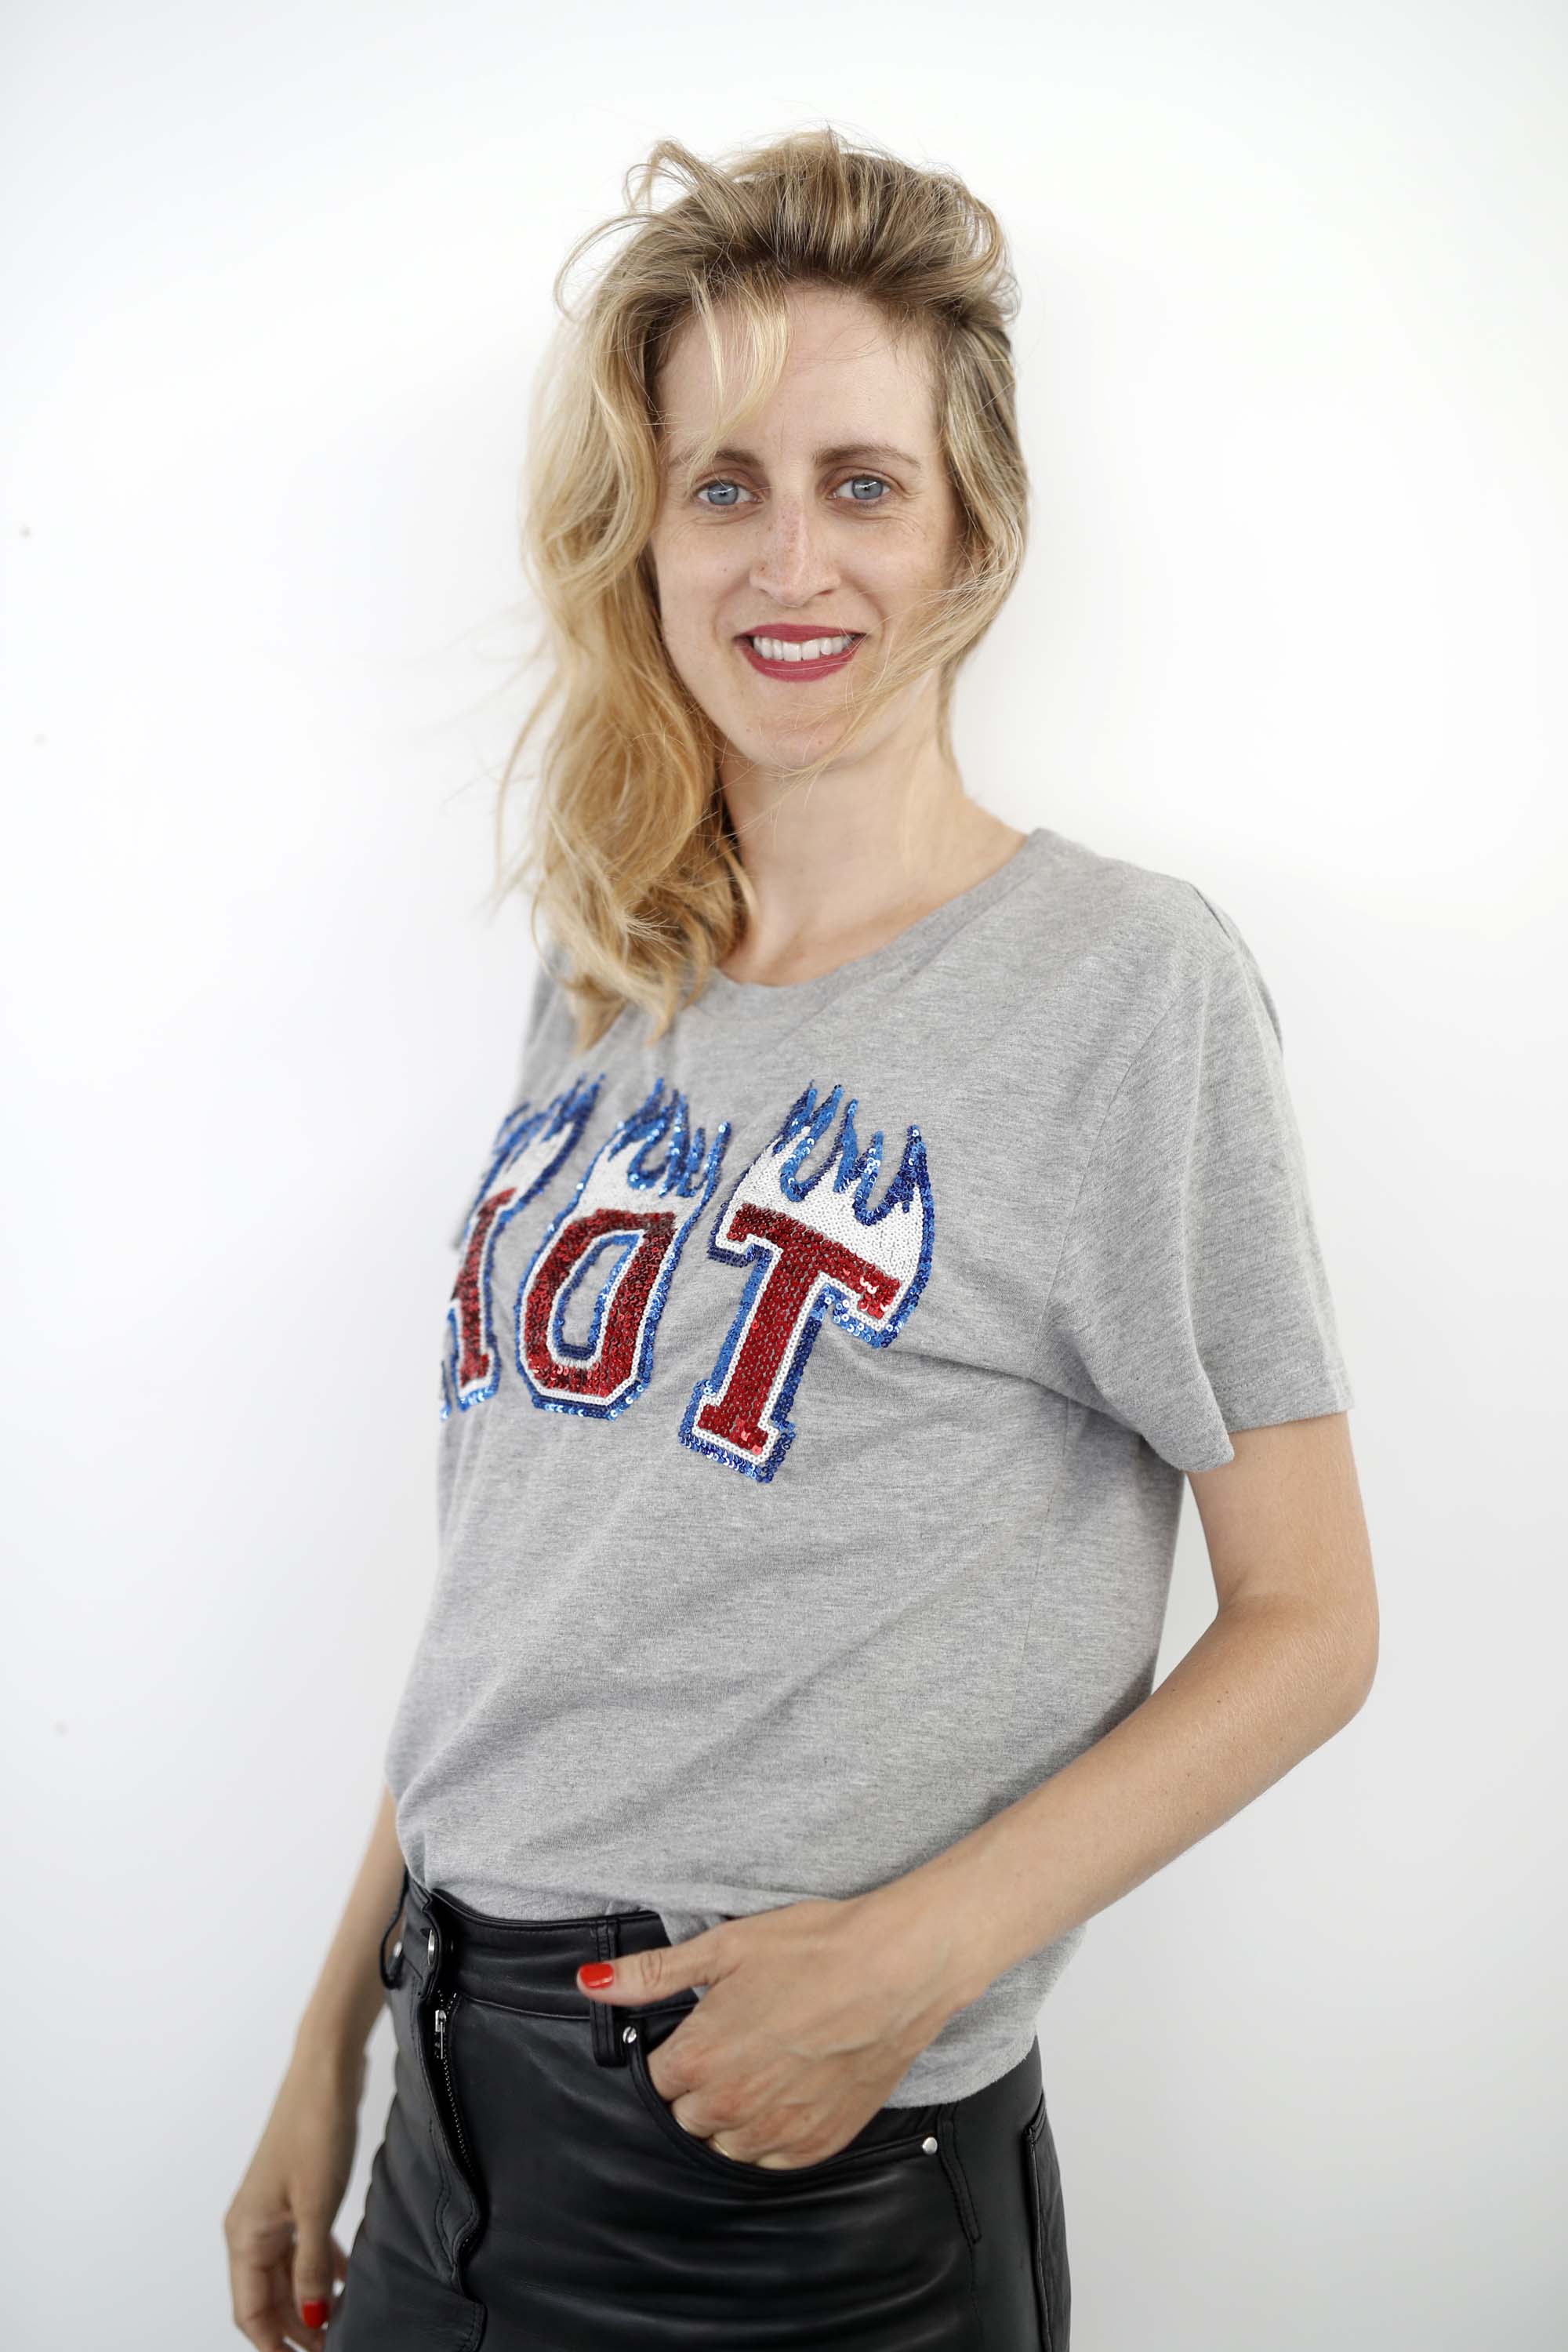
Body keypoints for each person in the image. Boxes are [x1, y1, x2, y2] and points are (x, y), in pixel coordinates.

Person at [224, 126, 1378, 2352]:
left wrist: (910, 1960)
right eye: (723, 481)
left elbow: (1315, 1622)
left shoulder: (1122, 985)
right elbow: (525, 1583)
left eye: (864, 481)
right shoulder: (604, 973)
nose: (791, 555)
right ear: (641, 531)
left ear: (971, 530)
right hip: (445, 2114)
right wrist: (329, 2033)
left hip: (782, 2172)